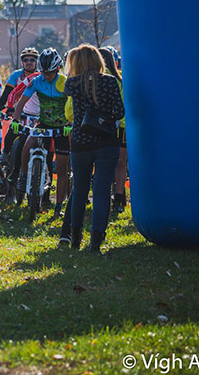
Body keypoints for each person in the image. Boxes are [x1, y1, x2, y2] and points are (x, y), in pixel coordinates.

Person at [59, 44, 124, 251]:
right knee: (102, 190)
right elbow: (119, 112)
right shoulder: (110, 82)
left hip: (80, 142)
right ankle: (96, 241)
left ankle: (75, 238)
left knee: (79, 190)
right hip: (106, 141)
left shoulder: (72, 84)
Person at [11, 48, 71, 216]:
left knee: (61, 166)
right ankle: (24, 177)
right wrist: (16, 120)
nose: (47, 76)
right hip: (43, 123)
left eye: (50, 73)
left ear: (57, 69)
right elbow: (21, 102)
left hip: (62, 126)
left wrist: (70, 123)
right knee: (27, 145)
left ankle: (58, 205)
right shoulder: (37, 81)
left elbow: (73, 106)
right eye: (44, 72)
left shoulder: (65, 83)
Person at [100, 46, 127, 213]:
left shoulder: (101, 78)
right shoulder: (121, 78)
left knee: (104, 162)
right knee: (120, 163)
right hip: (121, 125)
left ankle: (111, 197)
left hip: (104, 125)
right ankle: (119, 197)